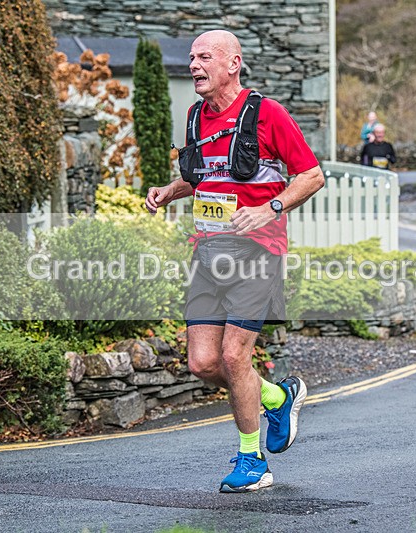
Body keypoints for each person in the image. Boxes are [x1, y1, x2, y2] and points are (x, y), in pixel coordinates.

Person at [145, 30, 324, 492]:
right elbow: (201, 177)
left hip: (258, 252)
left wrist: (271, 207)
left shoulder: (266, 113)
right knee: (203, 363)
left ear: (233, 63)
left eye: (205, 57)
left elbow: (311, 175)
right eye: (192, 58)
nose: (194, 65)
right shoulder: (195, 116)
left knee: (233, 355)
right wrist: (168, 191)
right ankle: (276, 397)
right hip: (208, 253)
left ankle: (252, 460)